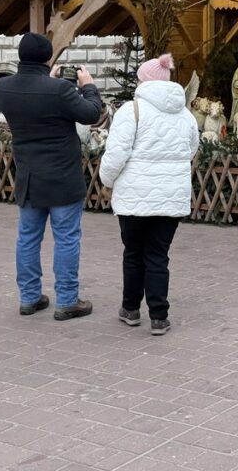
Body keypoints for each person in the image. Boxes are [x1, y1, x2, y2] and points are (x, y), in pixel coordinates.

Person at [0, 33, 103, 321]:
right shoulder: (57, 90)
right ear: (47, 58)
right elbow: (91, 113)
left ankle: (29, 298)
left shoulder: (4, 86)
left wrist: (53, 82)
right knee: (66, 238)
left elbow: (36, 96)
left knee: (27, 238)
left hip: (28, 176)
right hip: (63, 177)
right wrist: (88, 86)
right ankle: (67, 301)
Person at [100, 54, 198, 336]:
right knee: (158, 255)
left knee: (133, 253)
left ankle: (130, 309)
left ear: (143, 80)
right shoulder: (186, 115)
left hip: (133, 197)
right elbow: (191, 150)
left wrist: (106, 180)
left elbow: (115, 154)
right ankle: (159, 316)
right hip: (172, 197)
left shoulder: (131, 111)